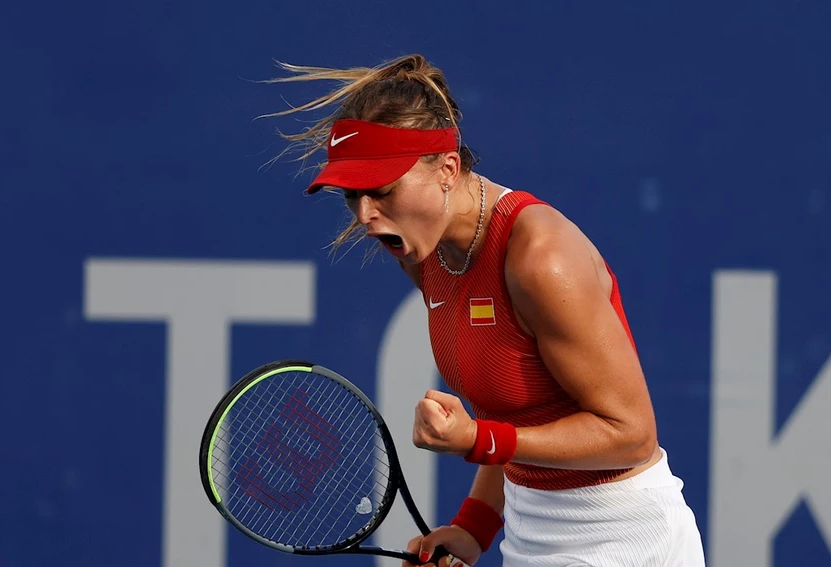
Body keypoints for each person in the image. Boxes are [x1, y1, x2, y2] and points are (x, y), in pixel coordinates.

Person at [266, 54, 706, 567]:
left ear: (448, 169)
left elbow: (630, 436)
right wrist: (473, 527)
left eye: (382, 190)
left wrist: (477, 437)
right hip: (531, 531)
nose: (365, 214)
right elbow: (521, 413)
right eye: (353, 195)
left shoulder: (541, 257)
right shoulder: (424, 252)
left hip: (625, 539)